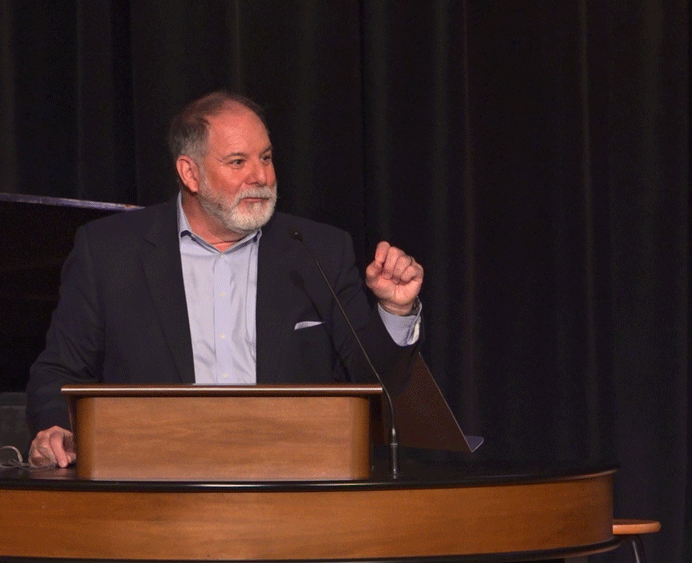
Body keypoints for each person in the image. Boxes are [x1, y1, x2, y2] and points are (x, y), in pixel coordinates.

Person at [26, 91, 424, 468]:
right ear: (190, 173)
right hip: (151, 483)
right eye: (238, 162)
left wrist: (394, 309)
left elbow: (371, 383)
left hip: (293, 481)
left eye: (266, 158)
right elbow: (60, 371)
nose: (261, 176)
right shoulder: (108, 252)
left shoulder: (318, 250)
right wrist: (56, 427)